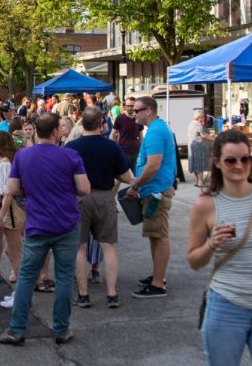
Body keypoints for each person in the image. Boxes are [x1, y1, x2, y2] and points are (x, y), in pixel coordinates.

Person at [187, 129, 252, 365]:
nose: (239, 165)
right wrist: (212, 244)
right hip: (226, 306)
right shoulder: (206, 205)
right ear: (217, 162)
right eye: (230, 160)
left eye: (245, 159)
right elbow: (193, 260)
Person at [0, 113, 90, 345]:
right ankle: (61, 329)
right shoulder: (71, 155)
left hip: (37, 224)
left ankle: (16, 329)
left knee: (27, 276)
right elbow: (85, 189)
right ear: (57, 131)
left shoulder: (23, 156)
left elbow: (13, 188)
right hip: (66, 223)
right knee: (65, 276)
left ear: (36, 130)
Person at [66, 107, 133, 309]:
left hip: (78, 199)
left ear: (82, 123)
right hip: (105, 197)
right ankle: (112, 294)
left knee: (80, 246)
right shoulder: (111, 147)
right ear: (101, 123)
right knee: (108, 245)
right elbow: (126, 177)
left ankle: (83, 294)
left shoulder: (71, 146)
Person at [126, 96, 178, 299]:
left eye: (137, 110)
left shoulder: (155, 131)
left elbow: (153, 165)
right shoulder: (157, 129)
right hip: (155, 189)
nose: (133, 113)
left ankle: (158, 283)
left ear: (148, 111)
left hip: (156, 190)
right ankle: (158, 275)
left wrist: (136, 186)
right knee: (155, 236)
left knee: (159, 235)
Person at [0, 131, 23, 284]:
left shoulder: (6, 162)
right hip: (2, 201)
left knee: (12, 245)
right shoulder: (5, 159)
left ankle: (15, 273)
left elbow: (9, 191)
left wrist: (1, 216)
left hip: (7, 205)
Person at [110, 96, 143, 173]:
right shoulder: (120, 118)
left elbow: (141, 135)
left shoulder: (138, 118)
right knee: (120, 175)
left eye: (132, 106)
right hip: (123, 152)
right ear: (125, 106)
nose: (129, 108)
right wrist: (115, 148)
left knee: (136, 175)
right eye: (127, 106)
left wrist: (142, 148)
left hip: (136, 152)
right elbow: (112, 134)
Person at [188, 109, 215, 187]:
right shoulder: (198, 124)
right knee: (199, 163)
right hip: (198, 145)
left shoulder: (191, 124)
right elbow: (203, 135)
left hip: (191, 144)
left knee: (194, 163)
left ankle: (197, 181)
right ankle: (200, 182)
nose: (204, 118)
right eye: (203, 117)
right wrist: (212, 138)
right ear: (198, 117)